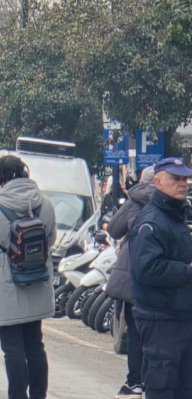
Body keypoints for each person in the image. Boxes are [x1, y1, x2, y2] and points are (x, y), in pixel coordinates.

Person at [0, 155, 56, 399]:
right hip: (37, 282)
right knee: (35, 345)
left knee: (12, 350)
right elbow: (50, 240)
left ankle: (17, 396)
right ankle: (39, 395)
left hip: (6, 287)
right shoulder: (45, 205)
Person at [127, 157, 192, 399]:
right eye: (175, 178)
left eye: (185, 178)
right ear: (158, 182)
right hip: (160, 320)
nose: (183, 183)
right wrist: (187, 271)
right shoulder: (151, 221)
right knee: (162, 388)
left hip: (181, 317)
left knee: (184, 388)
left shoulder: (176, 216)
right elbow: (147, 269)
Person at [107, 166, 155, 399]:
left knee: (135, 331)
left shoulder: (134, 201)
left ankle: (136, 381)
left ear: (140, 180)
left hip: (133, 273)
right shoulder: (172, 203)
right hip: (160, 276)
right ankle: (152, 380)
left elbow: (114, 230)